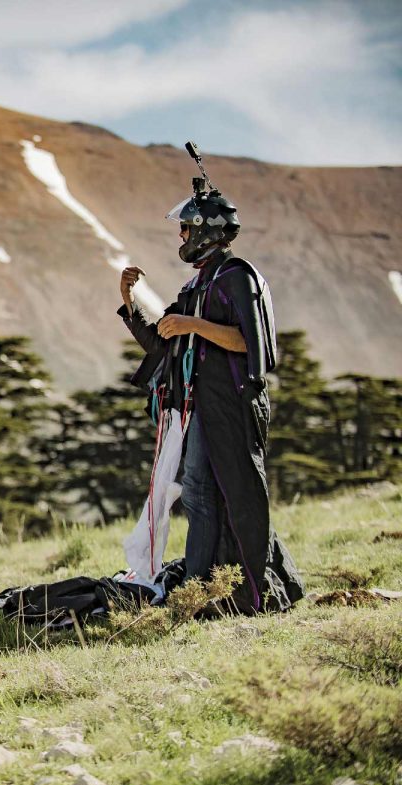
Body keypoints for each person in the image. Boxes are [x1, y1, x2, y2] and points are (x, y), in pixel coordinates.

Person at [118, 178, 304, 614]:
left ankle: (242, 589)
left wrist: (194, 326)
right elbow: (163, 344)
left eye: (185, 229)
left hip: (234, 405)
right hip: (200, 408)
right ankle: (199, 588)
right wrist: (127, 301)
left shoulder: (237, 276)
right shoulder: (195, 287)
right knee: (200, 494)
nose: (181, 238)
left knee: (235, 494)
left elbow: (251, 343)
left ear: (205, 231)